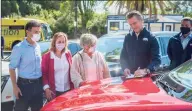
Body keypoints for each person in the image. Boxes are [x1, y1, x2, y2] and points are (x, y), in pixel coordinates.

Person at [9, 20, 43, 111]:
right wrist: (15, 87)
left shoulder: (38, 46)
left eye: (39, 32)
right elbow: (12, 68)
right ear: (27, 31)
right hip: (24, 87)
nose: (38, 34)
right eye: (36, 32)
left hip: (38, 85)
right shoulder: (19, 48)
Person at [120, 10, 161, 77]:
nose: (133, 26)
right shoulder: (128, 37)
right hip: (130, 77)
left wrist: (145, 70)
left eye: (135, 23)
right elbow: (123, 56)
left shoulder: (152, 38)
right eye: (130, 24)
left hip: (146, 78)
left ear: (142, 21)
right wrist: (125, 68)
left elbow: (157, 61)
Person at [42, 32, 74, 101]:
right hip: (54, 91)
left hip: (68, 90)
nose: (61, 44)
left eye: (63, 42)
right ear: (54, 42)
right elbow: (44, 74)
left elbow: (72, 70)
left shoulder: (68, 54)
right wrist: (46, 89)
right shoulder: (47, 56)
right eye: (59, 42)